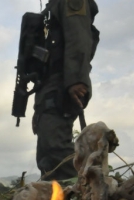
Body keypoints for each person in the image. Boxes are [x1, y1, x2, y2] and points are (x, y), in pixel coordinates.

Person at [32, 0, 99, 180]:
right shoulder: (52, 7)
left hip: (62, 84)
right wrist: (38, 111)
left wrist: (76, 80)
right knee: (48, 155)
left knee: (57, 151)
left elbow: (79, 37)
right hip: (50, 88)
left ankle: (80, 199)